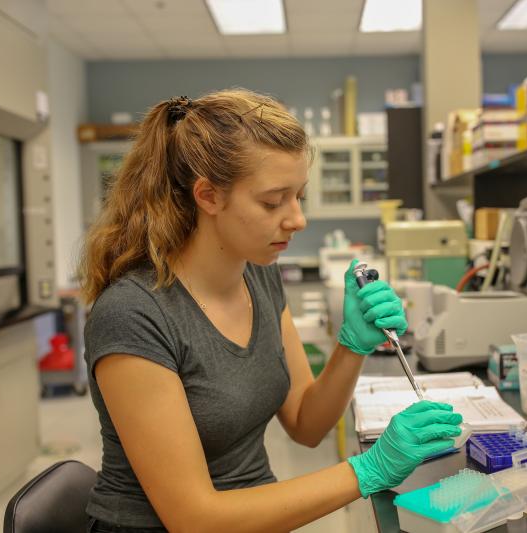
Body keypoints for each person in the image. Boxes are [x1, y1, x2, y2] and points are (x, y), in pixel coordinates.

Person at [79, 89, 463, 532]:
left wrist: (352, 345)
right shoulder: (134, 315)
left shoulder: (257, 275)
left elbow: (305, 422)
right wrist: (369, 469)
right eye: (272, 200)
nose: (297, 219)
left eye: (299, 195)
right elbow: (195, 519)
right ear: (208, 197)